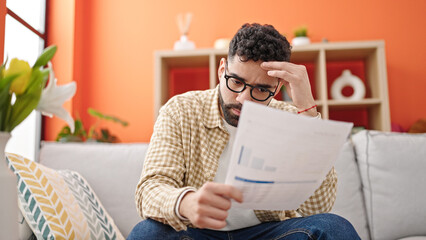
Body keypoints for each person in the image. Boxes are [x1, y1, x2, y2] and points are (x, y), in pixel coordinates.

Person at [128, 23, 360, 240]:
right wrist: (186, 203)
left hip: (268, 233)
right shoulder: (180, 110)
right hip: (197, 232)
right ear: (222, 70)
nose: (243, 99)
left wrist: (308, 113)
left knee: (335, 228)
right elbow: (150, 190)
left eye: (260, 89)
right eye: (236, 81)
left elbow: (318, 207)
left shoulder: (291, 118)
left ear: (277, 87)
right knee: (147, 233)